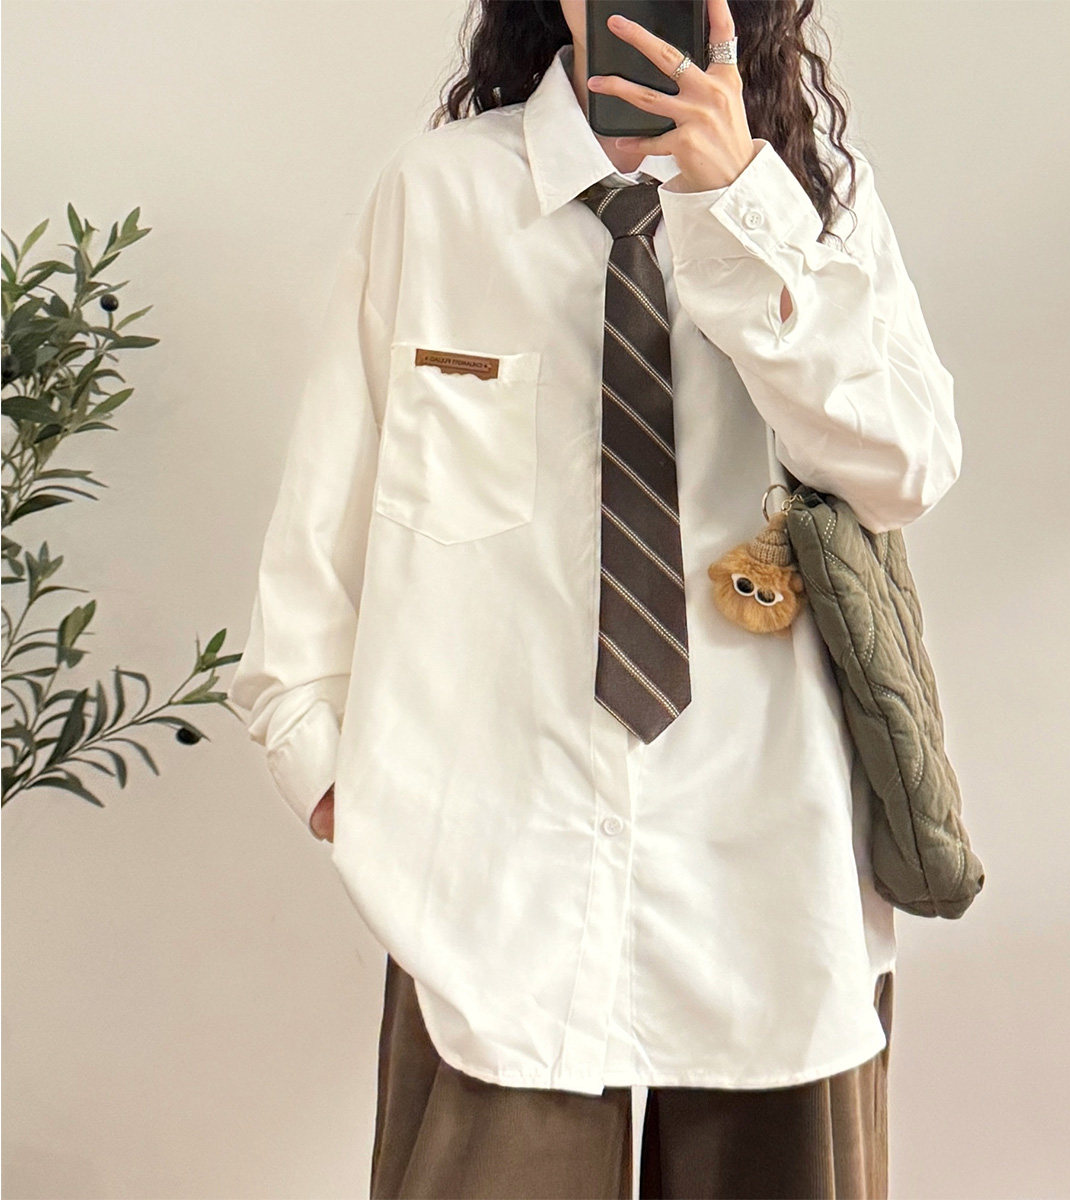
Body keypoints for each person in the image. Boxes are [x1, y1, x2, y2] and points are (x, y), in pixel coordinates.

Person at [229, 1, 961, 1196]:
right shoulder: (441, 195)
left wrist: (740, 210)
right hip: (491, 881)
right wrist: (321, 765)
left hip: (771, 854)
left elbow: (903, 468)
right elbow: (328, 509)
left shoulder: (813, 197)